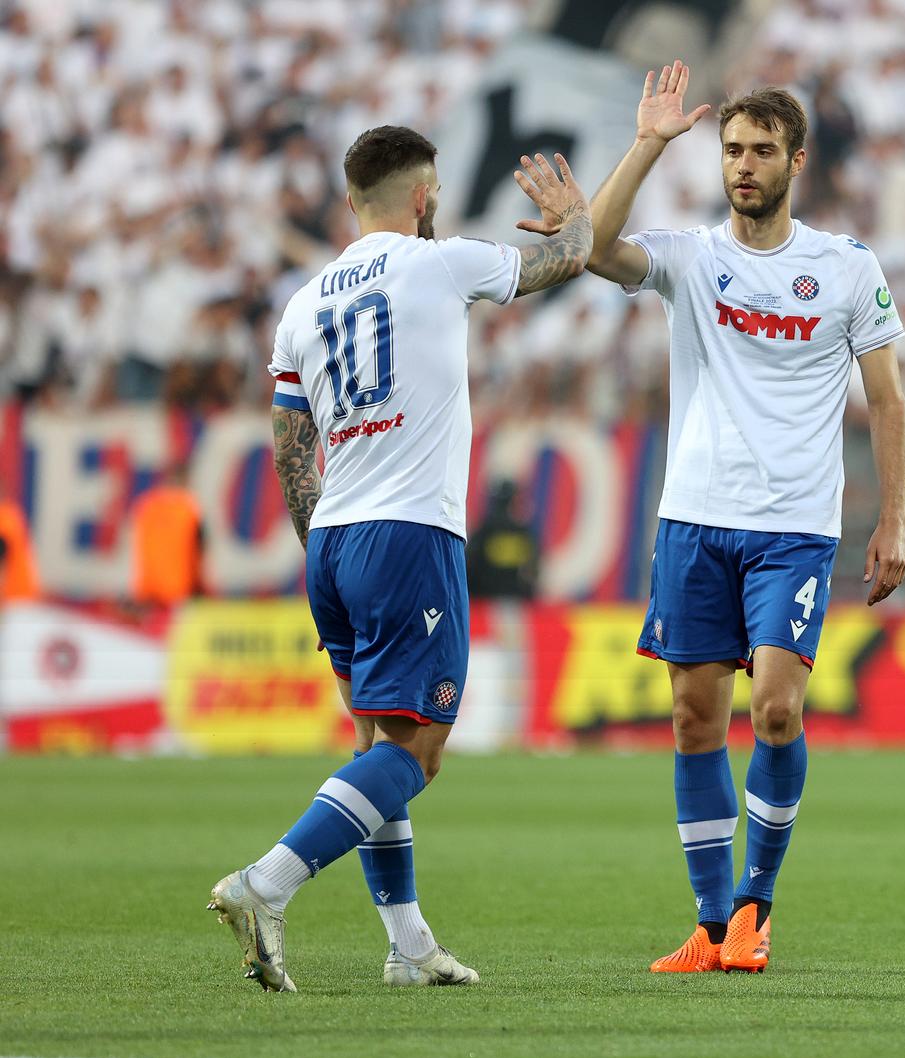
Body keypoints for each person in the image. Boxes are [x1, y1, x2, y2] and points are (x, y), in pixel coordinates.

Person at [207, 126, 593, 992]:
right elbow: (566, 259)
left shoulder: (303, 304)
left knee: (375, 740)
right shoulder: (440, 262)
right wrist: (574, 218)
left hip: (334, 539)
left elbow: (289, 445)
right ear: (424, 197)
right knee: (416, 751)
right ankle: (264, 884)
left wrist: (324, 557)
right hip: (411, 532)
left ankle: (408, 945)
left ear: (351, 199)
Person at [585, 63, 905, 973]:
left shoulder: (845, 269)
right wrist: (649, 143)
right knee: (695, 717)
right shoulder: (692, 258)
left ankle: (756, 908)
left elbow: (886, 401)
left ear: (794, 161)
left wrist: (894, 519)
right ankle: (709, 918)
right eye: (732, 149)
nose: (743, 165)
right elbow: (592, 244)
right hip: (692, 519)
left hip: (794, 528)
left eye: (761, 150)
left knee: (774, 709)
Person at [129, 464, 204, 606]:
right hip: (179, 589)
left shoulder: (146, 505)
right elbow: (198, 549)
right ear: (185, 480)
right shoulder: (187, 508)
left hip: (148, 589)